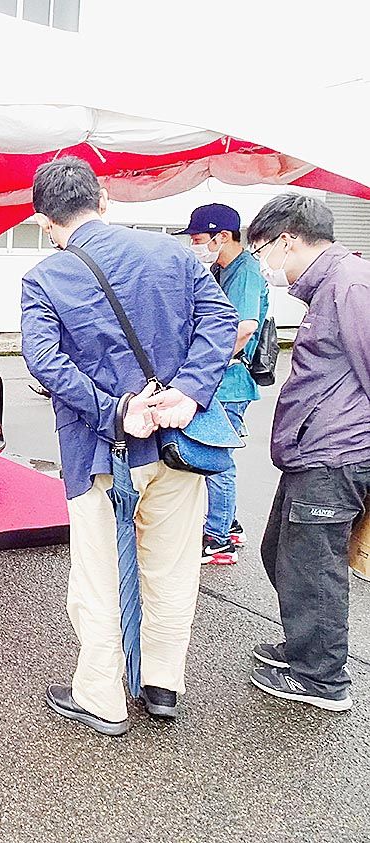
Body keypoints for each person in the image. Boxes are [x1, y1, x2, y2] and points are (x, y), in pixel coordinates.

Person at [21, 156, 238, 736]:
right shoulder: (173, 253)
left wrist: (116, 410)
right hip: (180, 444)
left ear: (44, 220)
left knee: (99, 576)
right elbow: (221, 320)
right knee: (171, 569)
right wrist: (189, 392)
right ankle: (163, 685)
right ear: (103, 201)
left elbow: (44, 362)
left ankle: (102, 696)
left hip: (102, 451)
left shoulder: (44, 277)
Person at [247, 193, 370, 713]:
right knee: (281, 552)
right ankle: (306, 646)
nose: (265, 265)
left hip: (335, 454)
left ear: (288, 240)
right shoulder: (331, 286)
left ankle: (322, 677)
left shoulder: (350, 284)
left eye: (262, 252)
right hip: (312, 450)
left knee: (314, 566)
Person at [175, 204, 270, 564]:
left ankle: (218, 540)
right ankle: (228, 523)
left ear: (223, 237)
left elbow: (244, 328)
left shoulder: (244, 272)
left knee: (217, 458)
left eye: (199, 239)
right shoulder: (221, 269)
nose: (195, 245)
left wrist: (207, 365)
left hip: (229, 381)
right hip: (220, 379)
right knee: (216, 454)